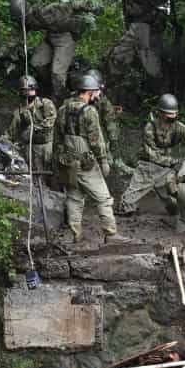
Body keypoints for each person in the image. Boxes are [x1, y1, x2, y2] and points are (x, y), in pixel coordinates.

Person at [55, 74, 130, 244]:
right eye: (96, 92)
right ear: (89, 92)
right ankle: (111, 235)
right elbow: (96, 140)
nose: (98, 95)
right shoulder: (89, 111)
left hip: (68, 162)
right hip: (86, 163)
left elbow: (57, 138)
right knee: (103, 198)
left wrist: (58, 162)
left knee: (74, 198)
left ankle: (76, 235)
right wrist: (103, 161)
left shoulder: (62, 109)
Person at [117, 94, 185, 215]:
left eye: (174, 113)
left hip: (166, 167)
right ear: (160, 113)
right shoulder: (150, 127)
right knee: (134, 193)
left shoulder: (179, 127)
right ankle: (124, 208)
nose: (172, 116)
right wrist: (172, 162)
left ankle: (175, 209)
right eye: (169, 114)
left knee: (171, 195)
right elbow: (151, 153)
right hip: (148, 165)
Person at [11, 0, 97, 103]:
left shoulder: (47, 11)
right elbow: (18, 35)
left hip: (66, 37)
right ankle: (50, 86)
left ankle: (60, 97)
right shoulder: (26, 19)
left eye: (22, 18)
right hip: (51, 36)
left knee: (58, 72)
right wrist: (10, 48)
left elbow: (71, 5)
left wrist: (89, 6)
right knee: (37, 62)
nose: (22, 20)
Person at [3, 75, 57, 175]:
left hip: (48, 146)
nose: (28, 92)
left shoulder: (45, 104)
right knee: (36, 176)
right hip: (32, 149)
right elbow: (11, 132)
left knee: (52, 175)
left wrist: (32, 129)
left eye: (31, 89)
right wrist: (4, 141)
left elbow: (50, 122)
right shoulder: (19, 112)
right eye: (25, 90)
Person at [83, 68, 131, 177]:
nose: (99, 92)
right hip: (81, 141)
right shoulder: (75, 102)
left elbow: (110, 121)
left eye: (101, 89)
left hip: (98, 137)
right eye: (97, 89)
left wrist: (113, 141)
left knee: (109, 164)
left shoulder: (101, 100)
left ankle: (117, 162)